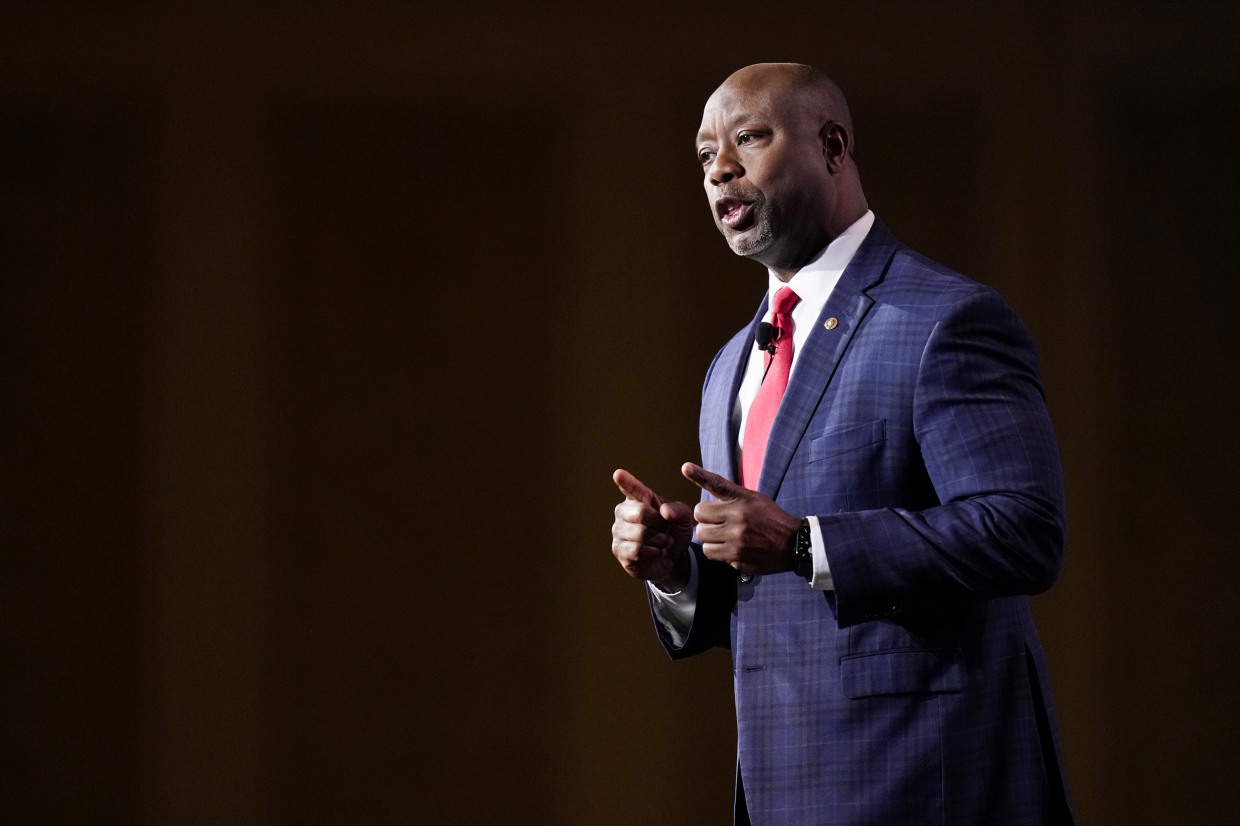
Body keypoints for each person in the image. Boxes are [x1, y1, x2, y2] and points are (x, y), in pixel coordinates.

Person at [609, 63, 1074, 825]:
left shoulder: (945, 319)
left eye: (749, 139)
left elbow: (1025, 532)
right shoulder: (731, 365)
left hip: (931, 781)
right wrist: (679, 570)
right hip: (783, 788)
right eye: (703, 156)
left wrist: (800, 542)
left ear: (832, 146)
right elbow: (765, 598)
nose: (720, 168)